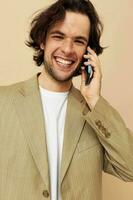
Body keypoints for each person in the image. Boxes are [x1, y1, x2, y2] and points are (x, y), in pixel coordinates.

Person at [0, 0, 133, 199]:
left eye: (79, 41)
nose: (68, 49)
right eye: (58, 36)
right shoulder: (4, 101)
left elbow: (129, 168)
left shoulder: (94, 113)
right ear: (43, 41)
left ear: (89, 52)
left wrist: (94, 99)